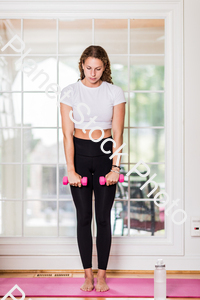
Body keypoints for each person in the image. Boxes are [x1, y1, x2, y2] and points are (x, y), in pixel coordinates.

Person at [60, 45, 126, 292]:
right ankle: (87, 275)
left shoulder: (114, 92)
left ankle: (102, 276)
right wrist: (70, 169)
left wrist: (115, 168)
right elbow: (67, 135)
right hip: (80, 155)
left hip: (105, 155)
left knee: (103, 218)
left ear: (104, 68)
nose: (93, 73)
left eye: (98, 69)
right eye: (88, 68)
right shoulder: (70, 92)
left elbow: (118, 134)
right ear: (82, 66)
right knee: (84, 217)